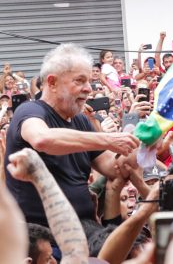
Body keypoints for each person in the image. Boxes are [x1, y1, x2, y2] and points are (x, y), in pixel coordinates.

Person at [4, 43, 140, 226]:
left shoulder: (81, 121)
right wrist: (107, 139)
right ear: (52, 82)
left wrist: (142, 143)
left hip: (85, 229)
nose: (88, 88)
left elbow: (113, 168)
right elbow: (43, 139)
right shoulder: (29, 111)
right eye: (80, 81)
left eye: (90, 81)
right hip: (42, 238)